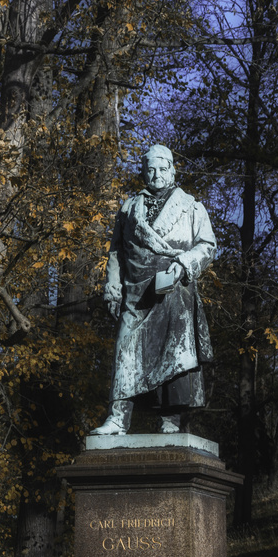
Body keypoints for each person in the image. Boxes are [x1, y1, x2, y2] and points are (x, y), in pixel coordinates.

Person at [91, 145, 218, 435]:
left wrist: (184, 263)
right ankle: (118, 418)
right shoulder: (128, 207)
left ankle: (170, 419)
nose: (156, 174)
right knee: (125, 349)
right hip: (136, 292)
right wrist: (112, 284)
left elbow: (207, 245)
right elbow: (117, 251)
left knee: (173, 355)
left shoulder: (190, 206)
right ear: (143, 172)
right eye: (150, 169)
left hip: (173, 290)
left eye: (162, 168)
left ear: (173, 170)